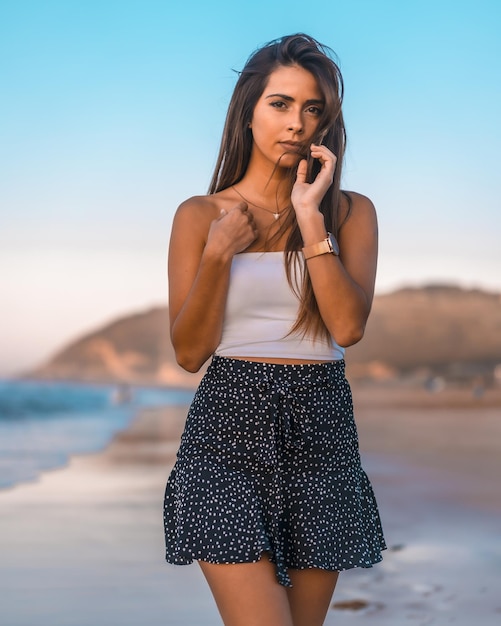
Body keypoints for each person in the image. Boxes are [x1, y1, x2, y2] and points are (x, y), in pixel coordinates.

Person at [163, 33, 386, 626]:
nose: (297, 123)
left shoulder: (350, 213)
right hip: (226, 434)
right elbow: (188, 353)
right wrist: (217, 256)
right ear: (248, 111)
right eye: (280, 104)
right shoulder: (200, 215)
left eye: (313, 109)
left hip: (322, 433)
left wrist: (312, 219)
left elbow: (347, 326)